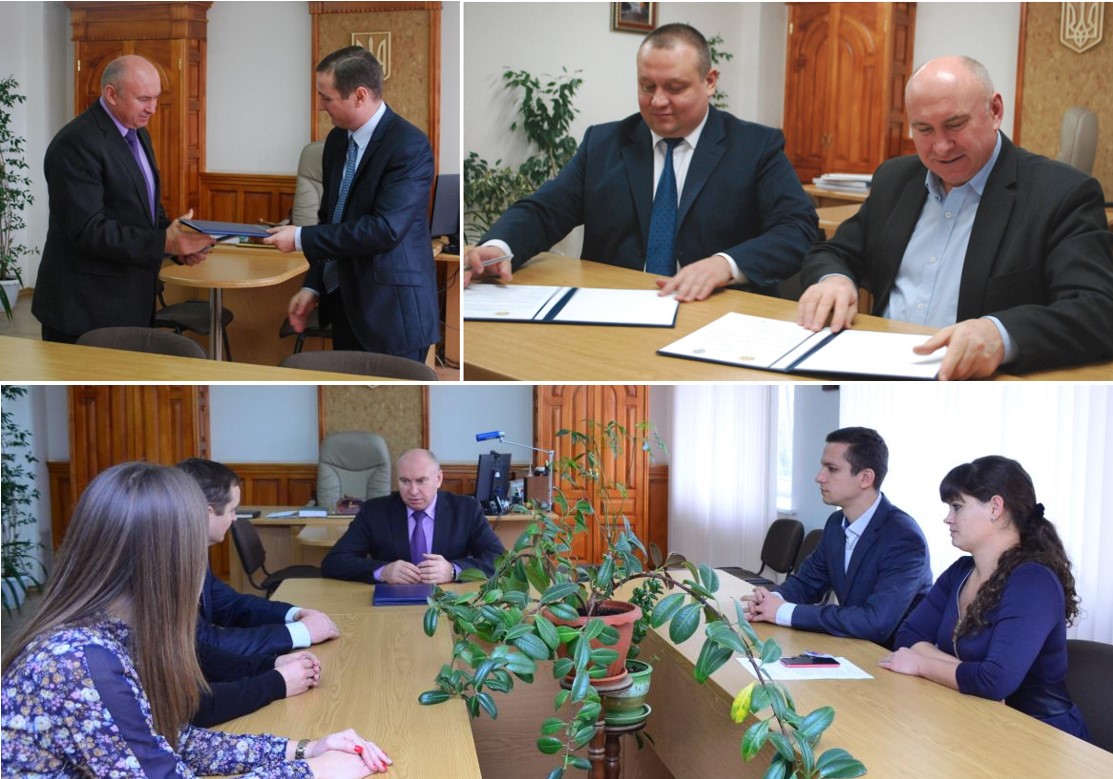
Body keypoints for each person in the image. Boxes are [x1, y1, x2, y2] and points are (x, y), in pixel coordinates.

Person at [0, 462, 390, 776]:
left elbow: (174, 741)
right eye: (192, 549)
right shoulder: (79, 663)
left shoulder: (115, 632)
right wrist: (313, 773)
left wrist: (306, 749)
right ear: (163, 559)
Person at [796, 55, 1113, 380]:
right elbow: (835, 252)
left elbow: (1097, 309)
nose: (941, 146)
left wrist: (1000, 334)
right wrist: (833, 280)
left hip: (974, 379)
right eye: (924, 129)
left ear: (995, 111)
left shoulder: (1061, 193)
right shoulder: (896, 178)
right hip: (875, 365)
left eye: (955, 125)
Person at [465, 23, 817, 303]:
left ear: (709, 82)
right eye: (647, 87)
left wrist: (724, 265)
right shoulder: (603, 143)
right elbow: (546, 210)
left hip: (715, 313)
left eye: (674, 88)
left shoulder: (755, 147)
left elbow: (797, 228)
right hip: (613, 311)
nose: (658, 101)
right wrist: (499, 247)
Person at [880, 456, 1090, 739]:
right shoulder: (961, 571)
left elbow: (995, 682)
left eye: (957, 507)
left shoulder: (1033, 581)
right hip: (976, 716)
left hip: (1039, 735)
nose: (947, 518)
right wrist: (969, 674)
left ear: (995, 508)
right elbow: (908, 635)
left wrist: (920, 663)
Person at [265, 46, 439, 362]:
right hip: (344, 303)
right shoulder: (336, 141)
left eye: (327, 98)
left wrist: (300, 237)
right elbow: (331, 220)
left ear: (359, 96)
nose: (320, 106)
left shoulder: (409, 146)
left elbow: (384, 230)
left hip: (392, 314)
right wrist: (313, 287)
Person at [32, 54, 216, 344]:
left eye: (156, 98)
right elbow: (88, 230)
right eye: (144, 99)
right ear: (111, 94)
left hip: (130, 300)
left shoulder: (138, 133)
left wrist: (177, 244)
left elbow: (145, 210)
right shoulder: (76, 143)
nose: (153, 108)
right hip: (84, 309)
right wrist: (163, 242)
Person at [744, 427, 932, 647]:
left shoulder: (905, 539)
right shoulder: (836, 523)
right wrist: (772, 599)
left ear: (865, 478)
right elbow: (808, 582)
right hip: (851, 644)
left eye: (832, 469)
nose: (819, 477)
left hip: (890, 656)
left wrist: (784, 612)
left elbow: (876, 623)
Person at [176, 457, 341, 657]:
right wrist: (301, 633)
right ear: (207, 512)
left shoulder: (190, 551)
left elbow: (230, 605)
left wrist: (294, 615)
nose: (235, 518)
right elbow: (203, 644)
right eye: (232, 510)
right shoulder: (166, 565)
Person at [322, 449, 505, 584]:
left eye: (421, 481)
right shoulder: (374, 512)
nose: (413, 491)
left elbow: (499, 559)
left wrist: (453, 571)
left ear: (438, 479)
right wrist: (383, 571)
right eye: (405, 481)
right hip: (392, 604)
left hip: (448, 602)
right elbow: (334, 562)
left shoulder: (466, 510)